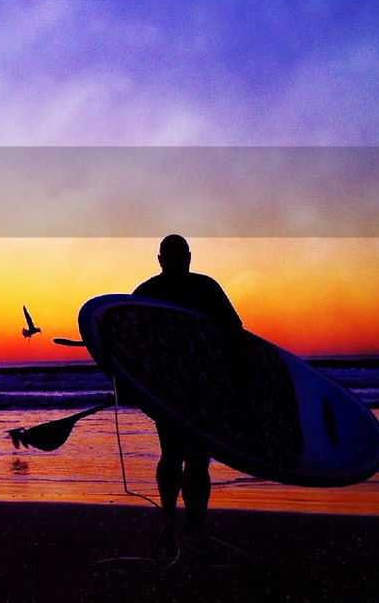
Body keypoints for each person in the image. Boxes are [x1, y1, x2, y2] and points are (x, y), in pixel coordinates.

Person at [132, 234, 243, 549]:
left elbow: (234, 331)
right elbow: (132, 342)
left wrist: (240, 377)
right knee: (174, 455)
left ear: (189, 256)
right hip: (168, 389)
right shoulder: (148, 292)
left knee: (195, 459)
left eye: (182, 255)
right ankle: (172, 525)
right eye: (174, 256)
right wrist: (133, 384)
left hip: (200, 387)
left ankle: (194, 526)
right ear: (161, 259)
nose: (179, 261)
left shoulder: (203, 287)